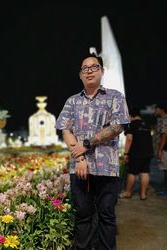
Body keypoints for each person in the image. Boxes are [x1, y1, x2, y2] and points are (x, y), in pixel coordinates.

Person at [56, 52, 130, 250]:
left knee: (106, 215)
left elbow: (118, 126)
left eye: (94, 67)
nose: (89, 71)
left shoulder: (115, 97)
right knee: (82, 215)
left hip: (107, 167)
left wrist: (87, 144)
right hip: (80, 169)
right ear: (80, 74)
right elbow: (65, 129)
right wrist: (80, 157)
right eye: (84, 68)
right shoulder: (72, 101)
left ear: (102, 71)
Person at [119, 107, 154, 200]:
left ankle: (127, 192)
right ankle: (143, 195)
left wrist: (126, 153)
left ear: (130, 115)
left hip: (136, 152)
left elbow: (129, 139)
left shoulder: (131, 125)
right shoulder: (146, 124)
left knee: (132, 172)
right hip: (148, 152)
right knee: (145, 172)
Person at [155, 103, 167, 193]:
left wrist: (160, 150)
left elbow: (164, 135)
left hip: (165, 149)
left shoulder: (165, 119)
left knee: (165, 169)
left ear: (162, 110)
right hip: (164, 148)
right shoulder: (162, 119)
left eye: (157, 109)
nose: (155, 111)